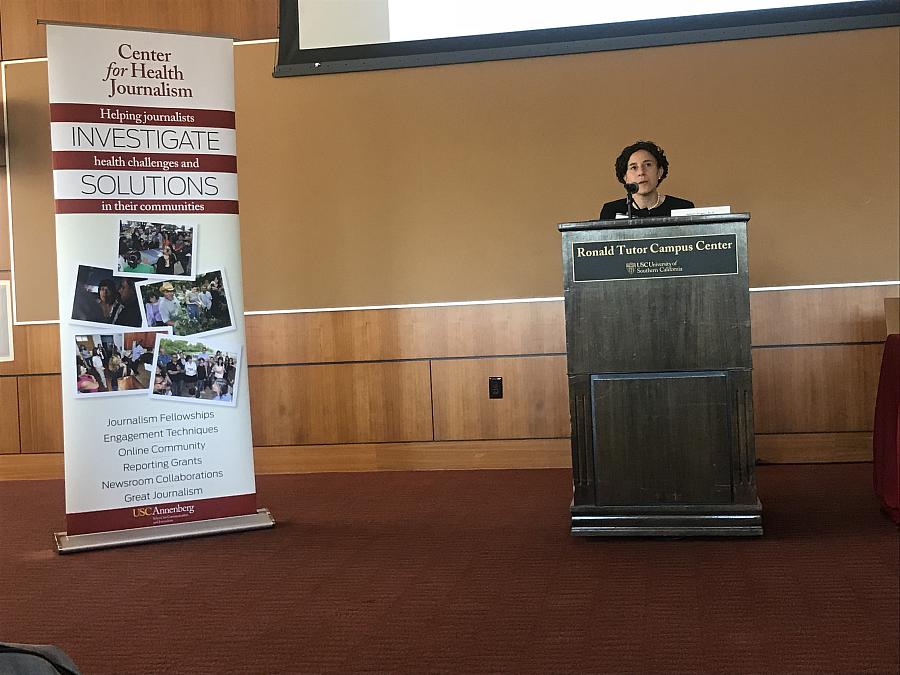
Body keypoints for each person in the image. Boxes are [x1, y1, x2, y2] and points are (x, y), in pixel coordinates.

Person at [598, 140, 694, 220]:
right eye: (634, 167)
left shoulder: (682, 208)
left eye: (648, 165)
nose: (641, 172)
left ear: (659, 172)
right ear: (625, 177)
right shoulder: (611, 211)